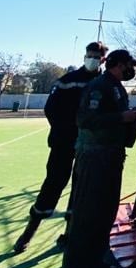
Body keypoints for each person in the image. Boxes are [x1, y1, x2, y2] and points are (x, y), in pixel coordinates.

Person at [13, 41, 107, 254]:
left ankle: (69, 233)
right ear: (85, 56)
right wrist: (70, 131)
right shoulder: (68, 81)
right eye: (89, 55)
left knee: (80, 189)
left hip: (90, 146)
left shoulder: (103, 82)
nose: (92, 59)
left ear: (102, 59)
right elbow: (52, 110)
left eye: (96, 56)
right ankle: (29, 232)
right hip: (64, 143)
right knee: (54, 183)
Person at [63, 49, 136, 268]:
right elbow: (86, 119)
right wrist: (122, 117)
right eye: (129, 65)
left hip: (110, 157)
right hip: (94, 158)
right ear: (117, 65)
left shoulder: (116, 87)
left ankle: (95, 264)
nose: (132, 70)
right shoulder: (99, 86)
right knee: (86, 215)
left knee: (105, 212)